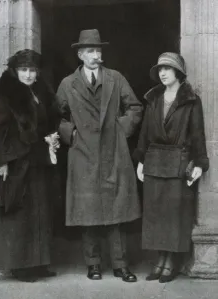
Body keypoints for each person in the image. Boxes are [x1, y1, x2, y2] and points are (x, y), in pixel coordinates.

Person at [57, 29, 143, 282]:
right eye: (91, 51)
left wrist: (120, 129)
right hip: (82, 153)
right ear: (80, 55)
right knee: (88, 214)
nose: (96, 56)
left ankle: (120, 264)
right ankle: (93, 264)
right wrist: (70, 134)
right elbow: (57, 115)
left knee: (116, 212)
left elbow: (135, 107)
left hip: (112, 152)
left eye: (99, 51)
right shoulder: (67, 84)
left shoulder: (116, 78)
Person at [0, 49, 61, 281]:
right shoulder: (4, 100)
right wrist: (1, 163)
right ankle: (20, 266)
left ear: (37, 74)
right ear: (15, 72)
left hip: (36, 160)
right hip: (16, 162)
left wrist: (51, 137)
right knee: (19, 214)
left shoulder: (39, 95)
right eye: (23, 70)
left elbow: (45, 124)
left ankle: (38, 263)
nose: (28, 74)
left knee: (38, 212)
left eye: (32, 70)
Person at [134, 52, 209, 283]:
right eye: (160, 69)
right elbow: (145, 132)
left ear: (178, 72)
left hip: (178, 163)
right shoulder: (153, 98)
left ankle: (171, 263)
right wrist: (140, 159)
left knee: (174, 216)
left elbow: (197, 134)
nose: (163, 73)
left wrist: (199, 163)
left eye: (167, 68)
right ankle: (160, 261)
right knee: (156, 215)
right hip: (155, 162)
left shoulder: (191, 100)